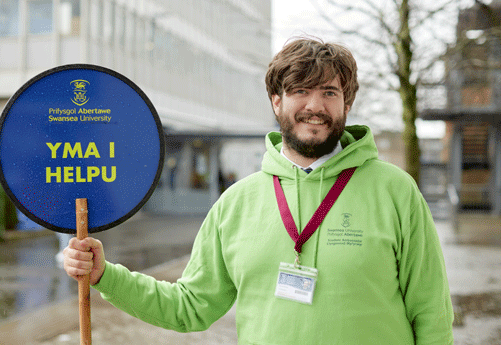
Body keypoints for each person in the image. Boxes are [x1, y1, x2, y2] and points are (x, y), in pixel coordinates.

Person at [63, 36, 454, 344]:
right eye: (301, 90)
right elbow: (189, 306)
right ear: (276, 101)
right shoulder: (237, 202)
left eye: (329, 93)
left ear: (346, 103)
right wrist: (105, 276)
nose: (315, 106)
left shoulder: (395, 191)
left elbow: (431, 311)